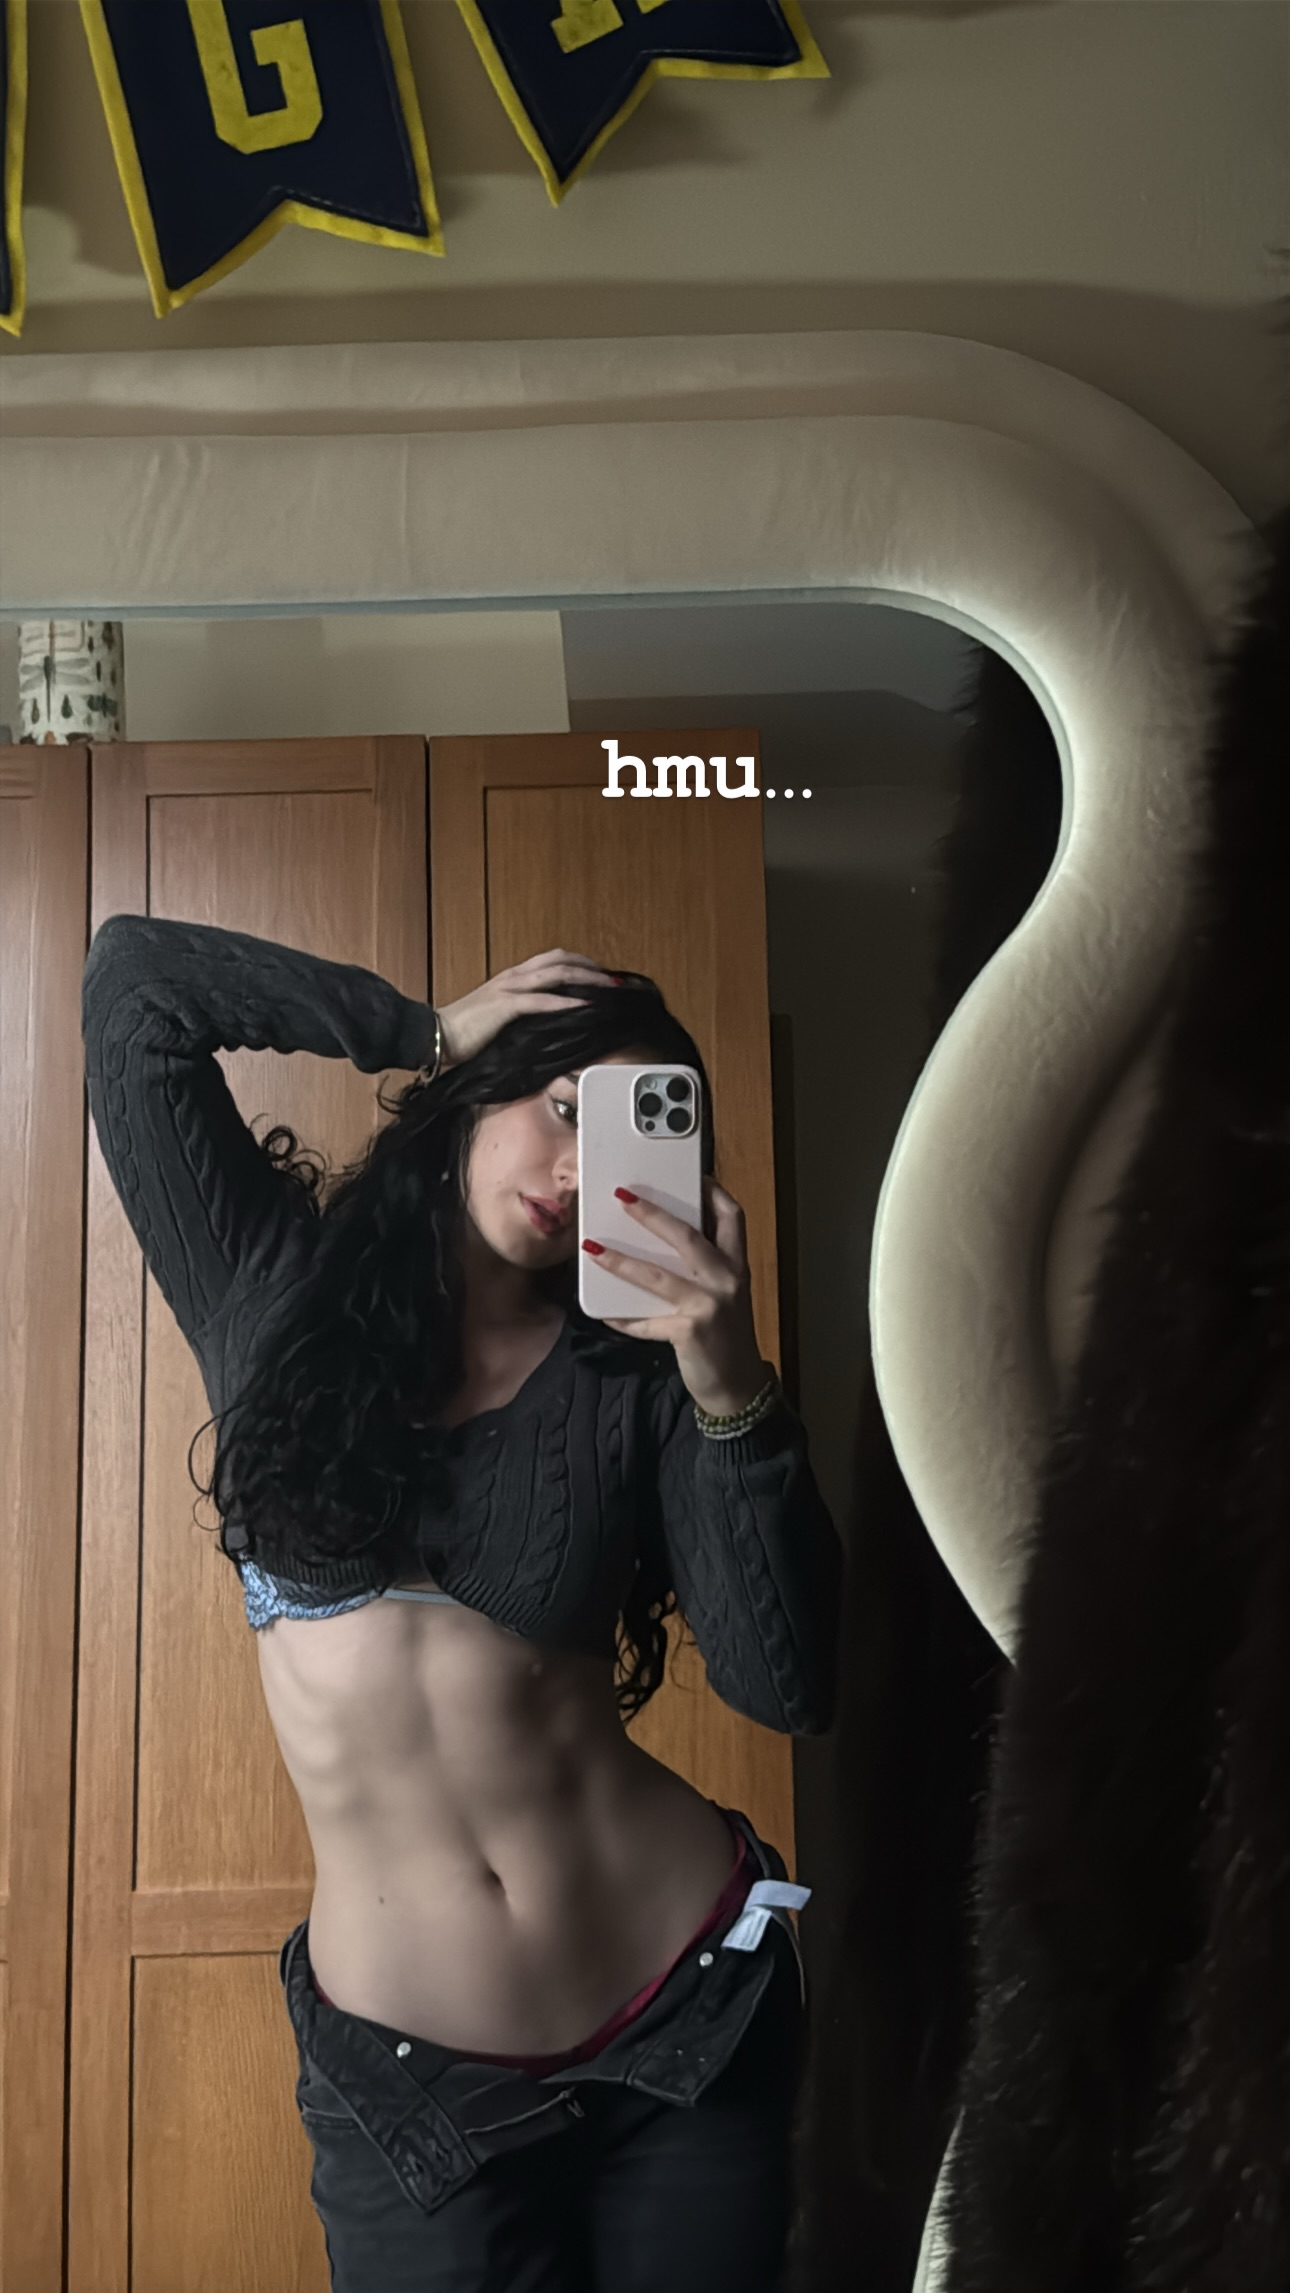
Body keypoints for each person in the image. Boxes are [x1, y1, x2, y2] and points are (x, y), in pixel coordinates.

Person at [81, 914, 845, 2292]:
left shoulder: (636, 1378)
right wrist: (421, 1024)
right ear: (478, 1088)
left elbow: (785, 1684)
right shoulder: (268, 1292)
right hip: (413, 2087)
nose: (576, 1168)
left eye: (620, 1137)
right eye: (561, 1108)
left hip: (689, 2013)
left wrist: (731, 1389)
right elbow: (134, 987)